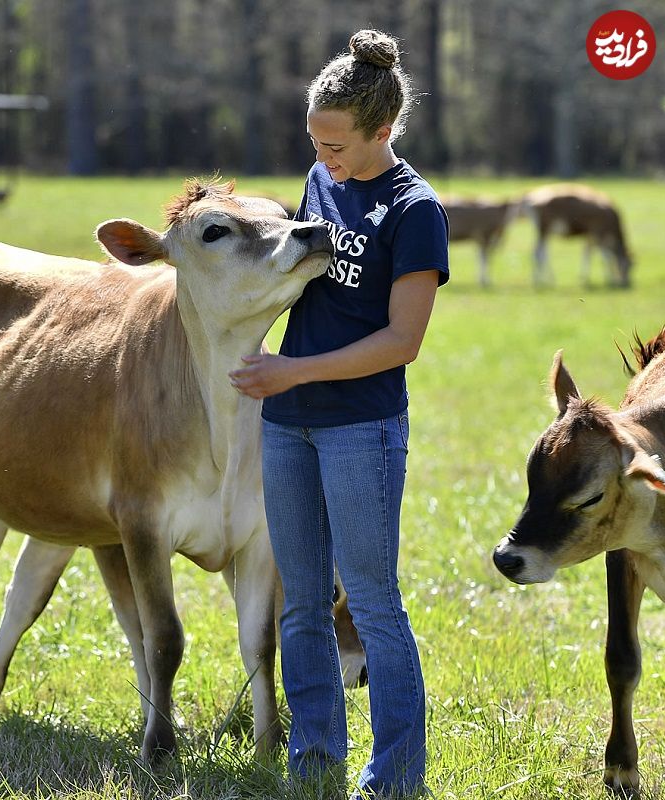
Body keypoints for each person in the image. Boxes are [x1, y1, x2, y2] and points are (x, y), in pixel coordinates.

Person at [229, 29, 449, 799]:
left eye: (338, 144)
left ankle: (394, 778)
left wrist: (294, 370)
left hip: (362, 426)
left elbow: (403, 340)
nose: (324, 157)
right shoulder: (322, 181)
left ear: (381, 131)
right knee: (302, 602)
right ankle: (313, 761)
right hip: (288, 423)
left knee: (375, 604)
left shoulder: (415, 210)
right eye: (315, 142)